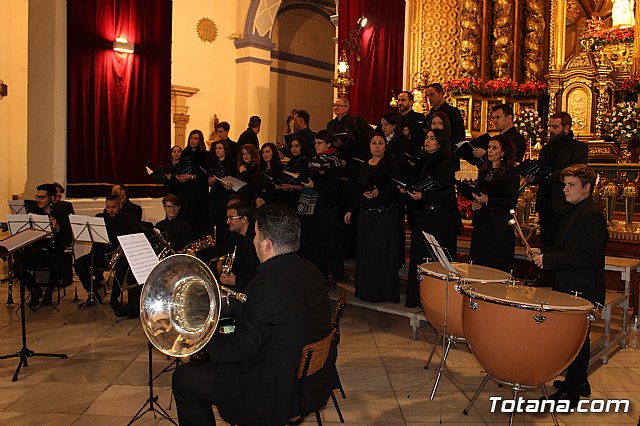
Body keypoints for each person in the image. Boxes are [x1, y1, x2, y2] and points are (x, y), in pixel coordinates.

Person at [172, 205, 332, 425]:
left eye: (256, 235)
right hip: (309, 382)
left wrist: (206, 334)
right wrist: (227, 322)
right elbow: (271, 318)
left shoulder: (266, 284)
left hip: (274, 392)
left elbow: (240, 350)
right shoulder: (311, 271)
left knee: (184, 378)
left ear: (267, 244)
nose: (253, 241)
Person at [530, 164, 607, 408]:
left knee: (576, 339)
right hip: (570, 284)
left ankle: (571, 394)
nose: (565, 189)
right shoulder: (575, 211)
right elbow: (568, 249)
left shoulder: (592, 216)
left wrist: (550, 260)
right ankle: (579, 382)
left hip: (582, 287)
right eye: (565, 184)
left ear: (587, 188)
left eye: (571, 185)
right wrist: (544, 251)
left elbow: (588, 257)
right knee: (577, 339)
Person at [402, 129, 459, 308]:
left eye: (432, 138)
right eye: (426, 137)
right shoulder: (422, 161)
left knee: (436, 261)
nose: (427, 141)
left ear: (440, 142)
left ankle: (436, 301)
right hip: (423, 215)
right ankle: (417, 298)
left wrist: (424, 197)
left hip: (440, 218)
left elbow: (447, 192)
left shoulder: (446, 162)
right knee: (419, 257)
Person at [344, 134, 400, 303]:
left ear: (385, 146)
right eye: (374, 143)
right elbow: (357, 188)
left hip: (384, 215)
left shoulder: (390, 166)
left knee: (382, 254)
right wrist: (350, 210)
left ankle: (382, 293)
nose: (377, 146)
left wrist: (379, 193)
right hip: (365, 214)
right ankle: (366, 291)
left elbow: (395, 191)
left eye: (380, 143)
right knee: (366, 254)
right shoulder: (363, 166)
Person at [73, 194, 142, 309]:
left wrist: (123, 251)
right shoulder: (99, 218)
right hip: (101, 254)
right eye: (108, 207)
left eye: (113, 207)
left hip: (119, 256)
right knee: (79, 264)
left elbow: (135, 239)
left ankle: (114, 298)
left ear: (120, 205)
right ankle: (93, 293)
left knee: (122, 267)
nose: (110, 210)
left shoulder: (130, 219)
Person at [532, 112, 588, 249]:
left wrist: (550, 175)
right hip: (546, 204)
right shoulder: (546, 149)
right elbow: (540, 173)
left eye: (555, 127)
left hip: (565, 204)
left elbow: (576, 171)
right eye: (550, 126)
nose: (550, 130)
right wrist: (532, 177)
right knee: (547, 244)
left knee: (565, 244)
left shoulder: (578, 148)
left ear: (566, 128)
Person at [298, 130, 344, 287]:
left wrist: (315, 184)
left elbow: (335, 186)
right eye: (315, 143)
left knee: (326, 243)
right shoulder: (313, 160)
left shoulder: (333, 161)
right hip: (311, 207)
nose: (316, 146)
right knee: (312, 243)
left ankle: (329, 274)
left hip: (326, 207)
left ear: (328, 144)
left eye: (320, 143)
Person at [14, 183, 72, 307]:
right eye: (37, 197)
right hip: (38, 250)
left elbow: (68, 240)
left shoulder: (61, 213)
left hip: (54, 251)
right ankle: (35, 290)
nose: (38, 200)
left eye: (42, 197)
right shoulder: (33, 213)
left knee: (58, 264)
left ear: (51, 198)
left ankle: (48, 295)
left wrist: (57, 228)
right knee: (17, 265)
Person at [469, 138, 519, 273]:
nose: (490, 151)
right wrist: (475, 204)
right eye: (489, 147)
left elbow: (511, 201)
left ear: (502, 152)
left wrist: (489, 200)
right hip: (482, 224)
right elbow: (480, 192)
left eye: (494, 148)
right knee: (478, 267)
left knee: (496, 268)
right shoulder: (484, 170)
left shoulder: (511, 172)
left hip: (499, 227)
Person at [176, 129, 211, 238]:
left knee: (198, 220)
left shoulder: (205, 155)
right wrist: (179, 176)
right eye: (191, 138)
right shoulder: (185, 154)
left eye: (195, 138)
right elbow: (179, 169)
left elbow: (206, 175)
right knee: (186, 218)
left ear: (200, 140)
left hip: (199, 193)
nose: (192, 140)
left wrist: (191, 177)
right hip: (186, 191)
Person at [207, 140, 236, 239]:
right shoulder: (213, 163)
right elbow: (209, 180)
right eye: (216, 148)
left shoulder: (231, 163)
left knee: (224, 223)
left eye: (220, 148)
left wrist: (223, 182)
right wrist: (210, 181)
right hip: (214, 196)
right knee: (213, 222)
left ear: (225, 150)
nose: (217, 151)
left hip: (225, 196)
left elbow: (233, 180)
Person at [424, 83, 466, 147]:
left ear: (441, 94)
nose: (429, 98)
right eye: (428, 95)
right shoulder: (429, 115)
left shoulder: (453, 112)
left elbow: (459, 134)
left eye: (432, 95)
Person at [254, 142, 284, 208]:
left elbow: (279, 189)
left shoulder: (279, 169)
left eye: (267, 152)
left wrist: (265, 200)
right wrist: (257, 198)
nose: (265, 154)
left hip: (274, 203)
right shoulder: (260, 168)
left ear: (273, 153)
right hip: (260, 202)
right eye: (263, 152)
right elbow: (256, 186)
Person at [397, 91, 426, 156]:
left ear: (411, 102)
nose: (400, 103)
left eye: (403, 100)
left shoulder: (419, 118)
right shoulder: (395, 119)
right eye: (398, 100)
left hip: (414, 154)